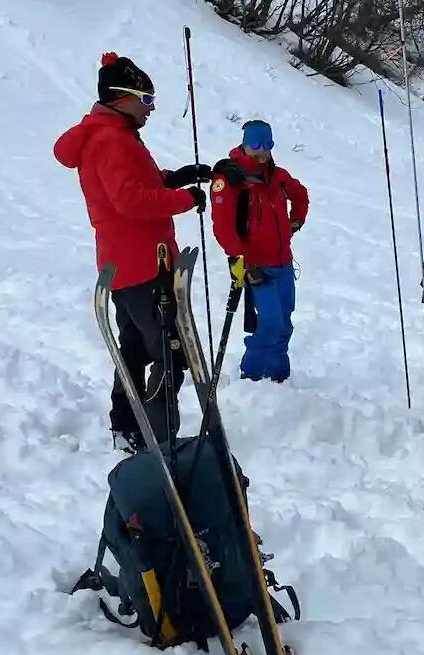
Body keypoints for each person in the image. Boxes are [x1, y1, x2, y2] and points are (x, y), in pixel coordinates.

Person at [54, 52, 209, 449]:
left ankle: (127, 426)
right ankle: (155, 435)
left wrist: (174, 179)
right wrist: (185, 200)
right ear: (122, 97)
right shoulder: (111, 139)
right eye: (147, 100)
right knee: (170, 352)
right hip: (142, 264)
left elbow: (136, 183)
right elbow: (130, 200)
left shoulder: (111, 136)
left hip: (126, 263)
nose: (151, 109)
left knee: (137, 347)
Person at [209, 120, 309, 383]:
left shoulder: (277, 176)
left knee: (284, 323)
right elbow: (223, 228)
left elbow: (300, 195)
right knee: (270, 323)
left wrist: (294, 222)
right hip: (255, 266)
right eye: (255, 145)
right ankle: (251, 375)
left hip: (283, 263)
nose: (262, 151)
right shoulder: (230, 178)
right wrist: (242, 262)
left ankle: (278, 377)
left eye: (268, 145)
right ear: (244, 144)